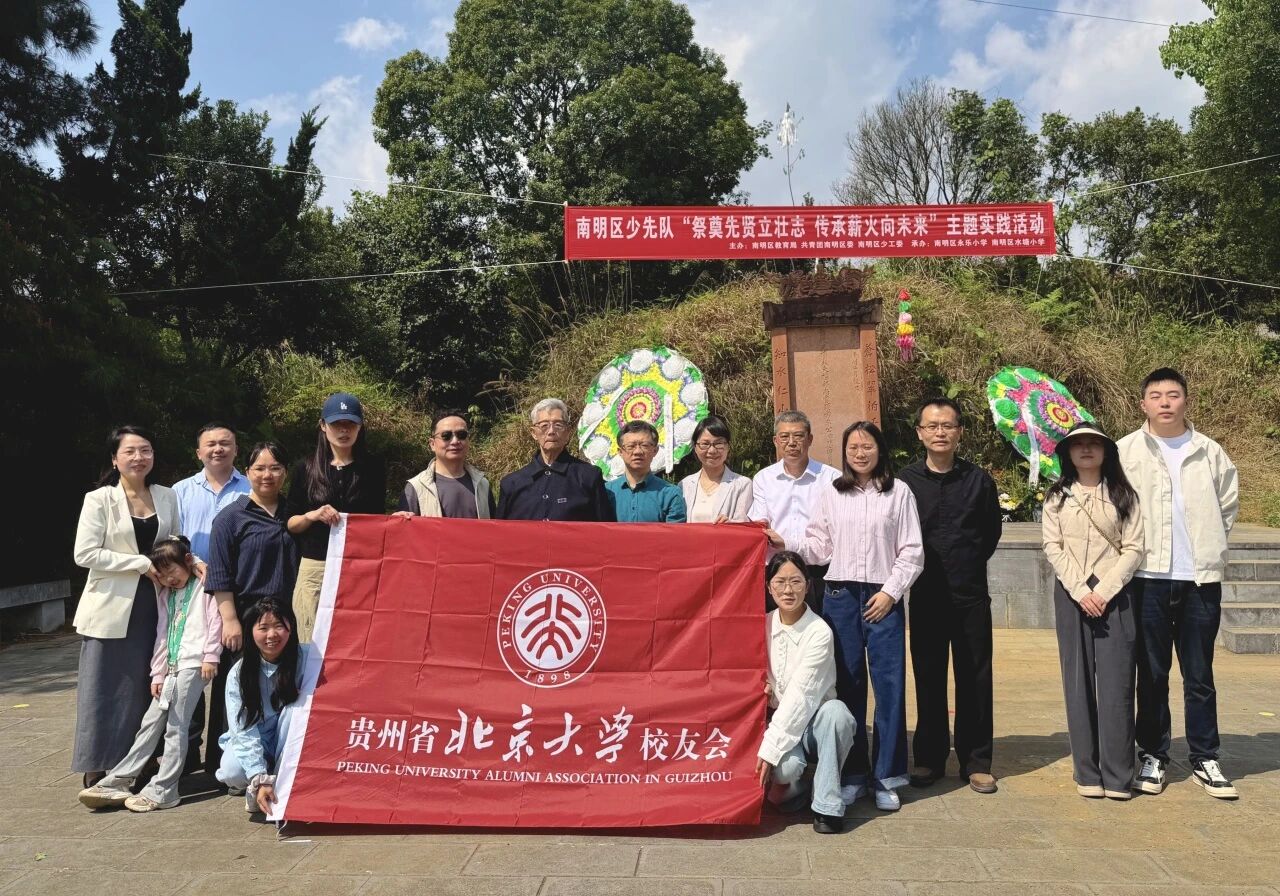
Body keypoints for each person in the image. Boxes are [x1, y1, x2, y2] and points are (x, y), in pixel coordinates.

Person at [1118, 368, 1240, 799]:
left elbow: (1227, 507)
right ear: (1143, 404)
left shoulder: (1210, 452)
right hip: (1146, 579)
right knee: (1151, 674)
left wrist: (1208, 548)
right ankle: (1153, 755)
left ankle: (1206, 756)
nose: (1165, 402)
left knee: (1199, 674)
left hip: (1199, 581)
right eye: (1156, 395)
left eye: (1173, 394)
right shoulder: (1125, 451)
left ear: (1186, 400)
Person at [789, 421, 923, 812]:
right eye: (853, 448)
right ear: (845, 453)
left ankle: (886, 777)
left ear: (880, 450)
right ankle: (852, 775)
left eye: (867, 447)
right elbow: (818, 546)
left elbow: (912, 551)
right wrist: (782, 542)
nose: (860, 454)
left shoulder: (899, 492)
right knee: (847, 687)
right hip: (840, 597)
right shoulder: (833, 492)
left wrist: (890, 593)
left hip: (883, 597)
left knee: (889, 687)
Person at [898, 398, 1002, 794]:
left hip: (970, 594)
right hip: (925, 594)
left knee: (975, 677)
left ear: (959, 432)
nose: (939, 432)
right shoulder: (905, 482)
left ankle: (977, 760)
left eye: (947, 425)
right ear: (919, 433)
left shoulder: (979, 480)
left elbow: (990, 533)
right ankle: (929, 757)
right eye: (932, 426)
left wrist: (967, 565)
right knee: (928, 676)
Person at [72, 426, 186, 786]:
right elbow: (84, 554)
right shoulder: (99, 499)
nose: (139, 457)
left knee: (146, 686)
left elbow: (175, 540)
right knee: (102, 686)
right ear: (114, 459)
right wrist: (139, 563)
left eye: (146, 450)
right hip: (110, 606)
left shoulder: (167, 495)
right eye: (130, 451)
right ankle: (96, 763)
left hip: (155, 603)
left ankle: (141, 762)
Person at [77, 536, 221, 811]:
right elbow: (162, 635)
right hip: (172, 667)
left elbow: (216, 622)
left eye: (172, 571)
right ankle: (119, 780)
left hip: (194, 664)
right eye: (162, 575)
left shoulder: (204, 585)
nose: (169, 579)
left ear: (187, 561)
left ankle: (164, 789)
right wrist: (158, 673)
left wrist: (211, 656)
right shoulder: (166, 594)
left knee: (176, 727)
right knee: (150, 723)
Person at [1043, 423, 1145, 799]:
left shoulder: (1124, 495)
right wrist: (1081, 590)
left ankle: (1118, 775)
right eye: (1078, 444)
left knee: (1118, 684)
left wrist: (1103, 591)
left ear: (1106, 452)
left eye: (1094, 444)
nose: (1086, 449)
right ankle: (1086, 772)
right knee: (1078, 683)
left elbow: (1134, 548)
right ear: (1067, 453)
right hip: (1072, 596)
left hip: (1115, 596)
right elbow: (1053, 546)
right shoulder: (1057, 497)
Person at [204, 442, 301, 779]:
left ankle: (282, 761)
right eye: (259, 468)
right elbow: (219, 573)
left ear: (285, 472)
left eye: (275, 468)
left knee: (288, 686)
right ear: (247, 473)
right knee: (239, 688)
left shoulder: (295, 514)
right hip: (247, 616)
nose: (267, 475)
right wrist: (229, 620)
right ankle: (230, 764)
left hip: (288, 618)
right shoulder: (231, 517)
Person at [756, 551, 856, 834]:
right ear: (769, 587)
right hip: (778, 718)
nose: (788, 590)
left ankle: (827, 804)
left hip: (813, 721)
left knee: (837, 715)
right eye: (780, 582)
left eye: (796, 581)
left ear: (808, 585)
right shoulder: (762, 624)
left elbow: (802, 695)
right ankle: (797, 790)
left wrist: (770, 748)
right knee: (785, 770)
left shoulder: (819, 631)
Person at [171, 422, 250, 773]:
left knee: (228, 672)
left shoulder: (251, 488)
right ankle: (186, 754)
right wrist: (191, 562)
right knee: (188, 671)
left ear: (236, 449)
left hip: (235, 591)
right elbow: (170, 540)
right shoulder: (180, 491)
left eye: (225, 443)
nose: (218, 449)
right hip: (189, 593)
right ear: (198, 452)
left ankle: (221, 755)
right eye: (211, 444)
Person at [286, 392, 386, 642]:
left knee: (353, 638)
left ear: (360, 427)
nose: (344, 430)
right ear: (323, 425)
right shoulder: (305, 468)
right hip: (315, 567)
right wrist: (312, 515)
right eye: (336, 424)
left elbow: (378, 521)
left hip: (358, 566)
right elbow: (290, 523)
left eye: (350, 424)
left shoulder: (373, 468)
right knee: (309, 640)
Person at [217, 597, 314, 816]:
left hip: (291, 737)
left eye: (279, 626)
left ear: (291, 627)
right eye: (263, 628)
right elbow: (242, 729)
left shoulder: (309, 658)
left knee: (294, 710)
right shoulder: (239, 674)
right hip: (257, 737)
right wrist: (259, 777)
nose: (272, 635)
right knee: (232, 771)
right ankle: (260, 785)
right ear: (251, 632)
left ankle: (281, 783)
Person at [749, 411, 839, 612]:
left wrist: (787, 543)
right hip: (777, 572)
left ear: (810, 439)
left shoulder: (831, 479)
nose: (791, 443)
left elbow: (834, 532)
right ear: (775, 441)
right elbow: (758, 524)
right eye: (784, 437)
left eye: (798, 436)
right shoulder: (763, 478)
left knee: (820, 628)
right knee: (776, 629)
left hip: (817, 572)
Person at [497, 398, 615, 521]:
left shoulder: (589, 476)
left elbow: (604, 527)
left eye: (558, 425)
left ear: (567, 432)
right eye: (544, 425)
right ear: (534, 433)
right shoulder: (512, 483)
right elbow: (499, 530)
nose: (551, 431)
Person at [396, 408, 496, 519]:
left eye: (461, 435)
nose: (455, 441)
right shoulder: (416, 487)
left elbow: (494, 527)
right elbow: (403, 528)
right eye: (446, 436)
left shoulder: (482, 485)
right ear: (432, 444)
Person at [604, 421, 687, 522]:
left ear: (655, 450)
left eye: (645, 445)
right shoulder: (606, 491)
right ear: (620, 452)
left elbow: (675, 531)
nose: (637, 451)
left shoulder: (670, 494)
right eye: (631, 446)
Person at [679, 415, 753, 523]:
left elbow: (745, 525)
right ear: (695, 448)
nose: (712, 450)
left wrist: (731, 524)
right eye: (705, 444)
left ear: (728, 447)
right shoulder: (684, 485)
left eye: (719, 443)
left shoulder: (742, 485)